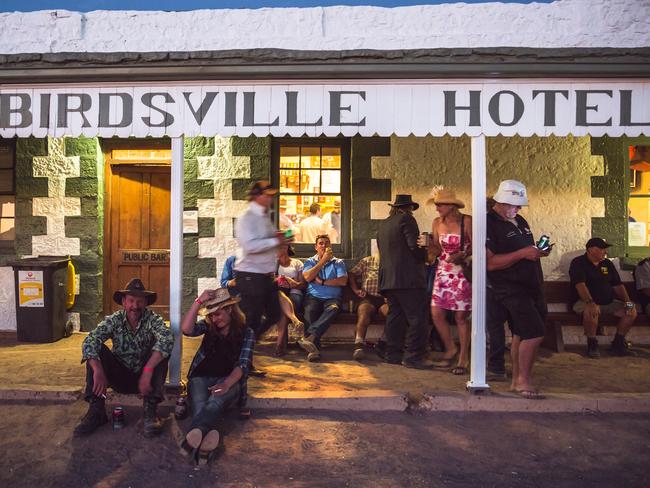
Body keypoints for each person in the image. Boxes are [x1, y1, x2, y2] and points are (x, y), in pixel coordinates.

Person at [74, 278, 174, 437]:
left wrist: (148, 370)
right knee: (96, 349)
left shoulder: (153, 320)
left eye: (140, 301)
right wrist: (98, 369)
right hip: (118, 377)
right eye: (131, 301)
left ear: (146, 303)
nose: (135, 306)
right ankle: (96, 411)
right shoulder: (115, 320)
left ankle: (150, 411)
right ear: (124, 302)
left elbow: (167, 339)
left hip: (145, 382)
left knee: (161, 351)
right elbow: (90, 340)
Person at [486, 180, 548, 399]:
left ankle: (516, 381)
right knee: (534, 332)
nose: (518, 208)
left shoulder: (519, 220)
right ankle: (523, 380)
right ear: (500, 201)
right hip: (509, 287)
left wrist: (537, 251)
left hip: (530, 284)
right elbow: (490, 263)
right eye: (514, 204)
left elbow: (525, 249)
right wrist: (523, 254)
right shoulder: (487, 223)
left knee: (520, 334)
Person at [179, 287, 254, 464]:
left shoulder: (246, 332)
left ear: (229, 309)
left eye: (218, 314)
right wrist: (198, 302)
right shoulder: (208, 326)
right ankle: (205, 451)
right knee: (200, 406)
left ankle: (191, 445)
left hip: (228, 379)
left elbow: (243, 364)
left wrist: (227, 383)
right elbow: (187, 329)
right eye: (212, 315)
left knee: (214, 402)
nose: (215, 319)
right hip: (200, 376)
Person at [234, 180, 292, 372]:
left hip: (266, 276)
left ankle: (243, 347)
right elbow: (250, 246)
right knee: (252, 320)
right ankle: (242, 359)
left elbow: (266, 243)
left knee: (275, 314)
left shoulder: (264, 217)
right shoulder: (246, 218)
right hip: (250, 275)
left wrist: (281, 241)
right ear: (256, 195)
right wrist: (275, 239)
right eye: (266, 194)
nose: (270, 198)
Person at [377, 194, 433, 369]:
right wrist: (424, 250)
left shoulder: (384, 224)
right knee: (418, 318)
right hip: (408, 278)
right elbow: (413, 247)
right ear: (407, 208)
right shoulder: (407, 220)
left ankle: (392, 355)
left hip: (389, 279)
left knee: (395, 317)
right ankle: (413, 357)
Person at [427, 188, 472, 375]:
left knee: (460, 317)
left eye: (440, 204)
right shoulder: (437, 222)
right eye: (436, 204)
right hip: (443, 272)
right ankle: (450, 347)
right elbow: (437, 248)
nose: (437, 208)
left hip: (462, 273)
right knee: (436, 312)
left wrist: (463, 254)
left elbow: (479, 246)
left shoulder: (466, 221)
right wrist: (428, 247)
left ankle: (463, 357)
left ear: (452, 206)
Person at [569, 237, 637, 358]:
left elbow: (618, 285)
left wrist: (628, 301)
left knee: (631, 311)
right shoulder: (578, 263)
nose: (605, 252)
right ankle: (592, 344)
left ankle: (618, 344)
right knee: (591, 310)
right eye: (602, 249)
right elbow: (580, 285)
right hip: (584, 302)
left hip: (608, 303)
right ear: (591, 250)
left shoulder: (607, 264)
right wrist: (590, 302)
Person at [298, 234, 348, 361]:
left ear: (330, 246)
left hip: (332, 298)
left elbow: (342, 281)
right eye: (321, 243)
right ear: (316, 247)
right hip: (313, 297)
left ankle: (311, 339)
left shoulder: (338, 262)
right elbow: (308, 277)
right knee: (309, 311)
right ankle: (314, 349)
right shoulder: (309, 261)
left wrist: (322, 282)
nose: (324, 245)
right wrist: (323, 261)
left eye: (327, 243)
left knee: (333, 308)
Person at [348, 253, 388, 360]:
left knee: (392, 314)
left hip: (384, 298)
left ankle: (383, 343)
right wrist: (356, 290)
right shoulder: (367, 260)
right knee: (364, 312)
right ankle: (358, 345)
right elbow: (351, 273)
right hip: (368, 297)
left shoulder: (391, 262)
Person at [276, 244, 306, 354]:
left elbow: (303, 285)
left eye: (282, 246)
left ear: (287, 247)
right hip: (277, 295)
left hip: (294, 294)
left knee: (283, 311)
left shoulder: (297, 263)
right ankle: (295, 320)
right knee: (279, 296)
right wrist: (280, 280)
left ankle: (280, 346)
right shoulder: (272, 264)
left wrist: (294, 284)